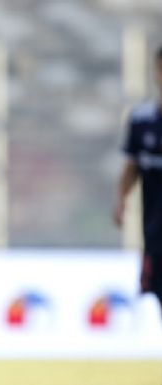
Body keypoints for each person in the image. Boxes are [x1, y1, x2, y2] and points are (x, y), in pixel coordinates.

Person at [113, 46, 162, 316]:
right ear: (157, 73)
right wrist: (121, 200)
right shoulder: (142, 120)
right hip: (155, 234)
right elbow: (132, 167)